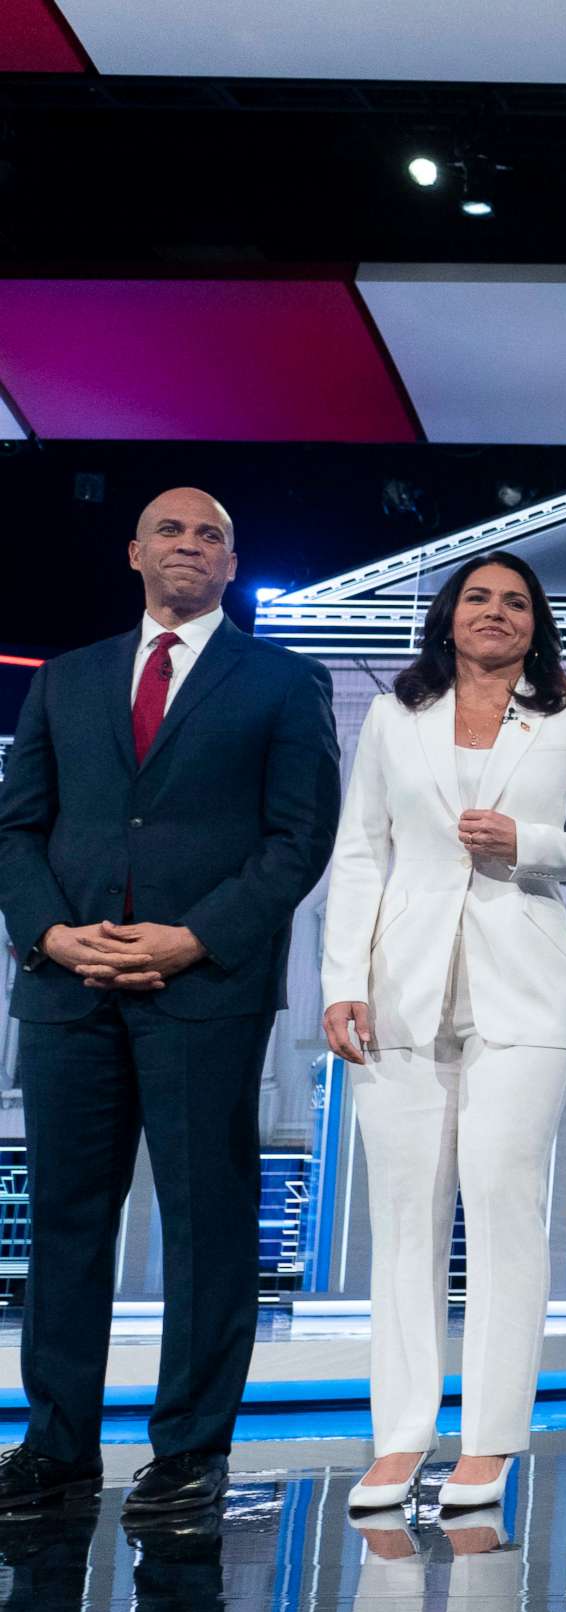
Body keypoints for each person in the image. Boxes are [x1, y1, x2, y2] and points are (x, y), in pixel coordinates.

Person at [0, 488, 341, 1519]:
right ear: (135, 551)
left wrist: (196, 936)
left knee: (206, 1225)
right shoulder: (64, 681)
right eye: (172, 529)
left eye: (213, 534)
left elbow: (299, 838)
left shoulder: (286, 681)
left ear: (232, 565)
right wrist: (54, 935)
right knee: (64, 1224)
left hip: (205, 988)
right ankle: (54, 1445)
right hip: (69, 987)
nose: (191, 544)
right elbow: (16, 831)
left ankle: (191, 1450)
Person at [320, 551, 566, 1514]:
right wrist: (343, 980)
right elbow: (358, 855)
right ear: (449, 617)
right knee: (406, 1219)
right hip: (401, 992)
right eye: (479, 599)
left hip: (527, 995)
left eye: (515, 602)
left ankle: (490, 1442)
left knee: (504, 1208)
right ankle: (399, 1438)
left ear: (536, 625)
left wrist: (531, 844)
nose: (496, 613)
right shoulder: (392, 718)